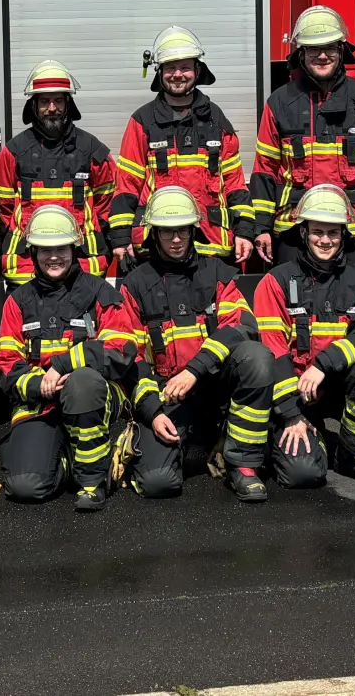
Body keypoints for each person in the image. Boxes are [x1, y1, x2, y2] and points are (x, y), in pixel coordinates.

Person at [114, 186, 273, 502]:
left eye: (183, 231)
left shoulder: (216, 271)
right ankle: (185, 443)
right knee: (157, 483)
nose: (176, 239)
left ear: (193, 231)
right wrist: (152, 412)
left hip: (215, 386)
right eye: (167, 232)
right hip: (168, 394)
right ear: (154, 234)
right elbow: (129, 357)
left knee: (256, 356)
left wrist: (195, 370)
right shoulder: (135, 284)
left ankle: (243, 465)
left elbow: (242, 326)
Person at [249, 5, 355, 278]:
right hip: (296, 229)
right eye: (314, 49)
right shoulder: (279, 102)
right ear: (301, 53)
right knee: (296, 302)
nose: (322, 56)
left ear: (341, 50)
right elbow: (265, 170)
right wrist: (262, 228)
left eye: (329, 48)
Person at [0, 205, 136, 511]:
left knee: (82, 383)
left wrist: (64, 366)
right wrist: (38, 385)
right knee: (25, 487)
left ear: (74, 249)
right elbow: (4, 363)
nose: (54, 257)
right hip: (40, 403)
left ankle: (92, 482)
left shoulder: (100, 292)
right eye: (45, 250)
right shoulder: (18, 301)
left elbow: (122, 349)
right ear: (33, 253)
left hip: (92, 400)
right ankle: (68, 459)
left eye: (61, 249)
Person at [252, 185, 355, 488]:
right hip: (294, 389)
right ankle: (297, 435)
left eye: (333, 232)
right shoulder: (276, 281)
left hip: (338, 383)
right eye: (317, 232)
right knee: (302, 475)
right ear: (303, 232)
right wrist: (291, 414)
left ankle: (354, 455)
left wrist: (323, 364)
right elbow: (273, 350)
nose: (325, 240)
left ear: (344, 235)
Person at [110, 27, 255, 268]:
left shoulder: (217, 120)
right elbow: (127, 185)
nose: (178, 75)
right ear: (160, 72)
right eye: (170, 68)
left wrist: (245, 231)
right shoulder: (143, 121)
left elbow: (234, 183)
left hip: (211, 249)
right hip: (156, 248)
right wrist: (120, 237)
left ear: (198, 70)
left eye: (185, 67)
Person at [0, 61, 117, 285]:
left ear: (68, 104)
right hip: (25, 268)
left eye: (58, 100)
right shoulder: (14, 151)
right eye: (44, 101)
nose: (52, 108)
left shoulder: (91, 150)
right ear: (34, 105)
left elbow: (107, 205)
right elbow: (2, 209)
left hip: (84, 266)